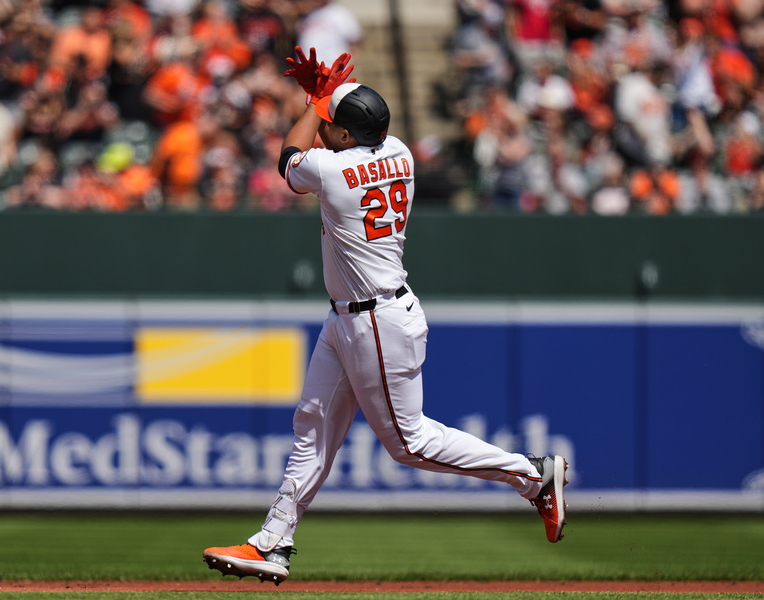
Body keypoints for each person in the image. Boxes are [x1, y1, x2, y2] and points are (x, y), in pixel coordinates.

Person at [202, 47, 569, 585]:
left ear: (348, 136)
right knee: (314, 425)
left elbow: (288, 157)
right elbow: (340, 136)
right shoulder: (399, 151)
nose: (325, 130)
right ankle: (273, 540)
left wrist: (315, 99)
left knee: (409, 443)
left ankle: (532, 476)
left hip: (375, 320)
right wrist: (327, 103)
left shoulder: (332, 171)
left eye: (333, 126)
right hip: (355, 316)